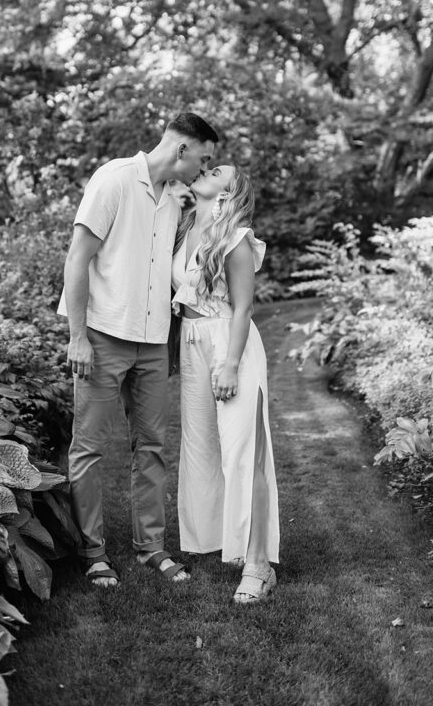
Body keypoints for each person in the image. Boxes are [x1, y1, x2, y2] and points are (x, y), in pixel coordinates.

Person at [58, 112, 219, 587]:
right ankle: (93, 552)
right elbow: (77, 257)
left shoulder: (174, 198)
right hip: (103, 336)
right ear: (182, 150)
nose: (204, 170)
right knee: (88, 448)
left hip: (151, 345)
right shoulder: (113, 180)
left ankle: (151, 547)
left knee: (151, 448)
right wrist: (77, 336)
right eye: (204, 160)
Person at [172, 164, 280, 603]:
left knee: (243, 453)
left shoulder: (235, 238)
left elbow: (242, 307)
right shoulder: (182, 231)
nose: (203, 170)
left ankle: (258, 566)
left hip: (229, 344)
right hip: (192, 342)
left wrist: (231, 364)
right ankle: (230, 543)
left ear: (229, 191)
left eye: (215, 170)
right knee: (202, 450)